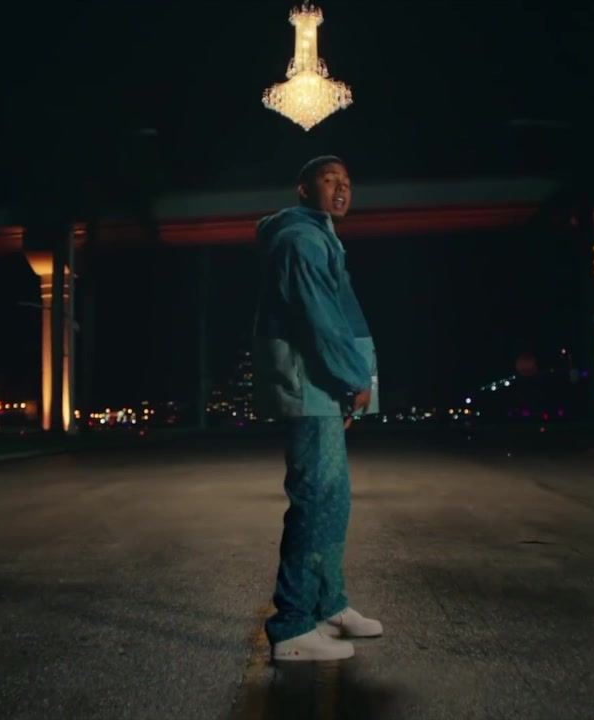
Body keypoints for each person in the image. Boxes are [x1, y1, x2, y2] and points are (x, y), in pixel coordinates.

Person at [252, 156, 383, 662]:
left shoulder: (319, 235)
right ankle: (292, 626)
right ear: (304, 189)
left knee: (334, 500)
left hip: (320, 388)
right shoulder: (301, 239)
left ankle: (329, 605)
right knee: (314, 502)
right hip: (310, 386)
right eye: (330, 181)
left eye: (347, 182)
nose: (341, 189)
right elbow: (319, 317)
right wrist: (353, 377)